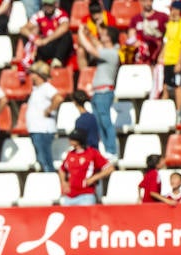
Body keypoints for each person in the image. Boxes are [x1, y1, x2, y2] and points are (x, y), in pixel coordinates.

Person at [78, 25, 120, 160]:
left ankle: (112, 150)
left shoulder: (112, 52)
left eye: (104, 34)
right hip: (98, 92)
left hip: (104, 92)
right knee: (99, 123)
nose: (101, 35)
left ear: (109, 37)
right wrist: (89, 35)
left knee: (105, 121)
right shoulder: (108, 51)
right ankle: (108, 150)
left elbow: (91, 49)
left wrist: (80, 34)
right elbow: (97, 45)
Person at [59, 127, 113, 205]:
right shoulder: (70, 154)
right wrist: (64, 182)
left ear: (79, 140)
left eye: (72, 139)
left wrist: (93, 178)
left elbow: (109, 168)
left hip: (86, 195)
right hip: (70, 196)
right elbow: (62, 169)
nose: (69, 140)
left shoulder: (92, 153)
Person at [27, 62, 60, 173]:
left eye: (33, 73)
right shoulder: (37, 89)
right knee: (42, 160)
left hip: (43, 129)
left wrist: (49, 110)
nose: (31, 76)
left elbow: (58, 98)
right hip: (37, 129)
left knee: (45, 160)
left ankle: (51, 181)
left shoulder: (46, 87)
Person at [163, 2, 181, 112]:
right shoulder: (169, 24)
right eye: (172, 9)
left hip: (176, 60)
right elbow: (166, 42)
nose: (173, 11)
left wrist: (179, 62)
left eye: (176, 9)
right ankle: (165, 111)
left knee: (177, 85)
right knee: (165, 85)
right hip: (167, 60)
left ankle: (179, 111)